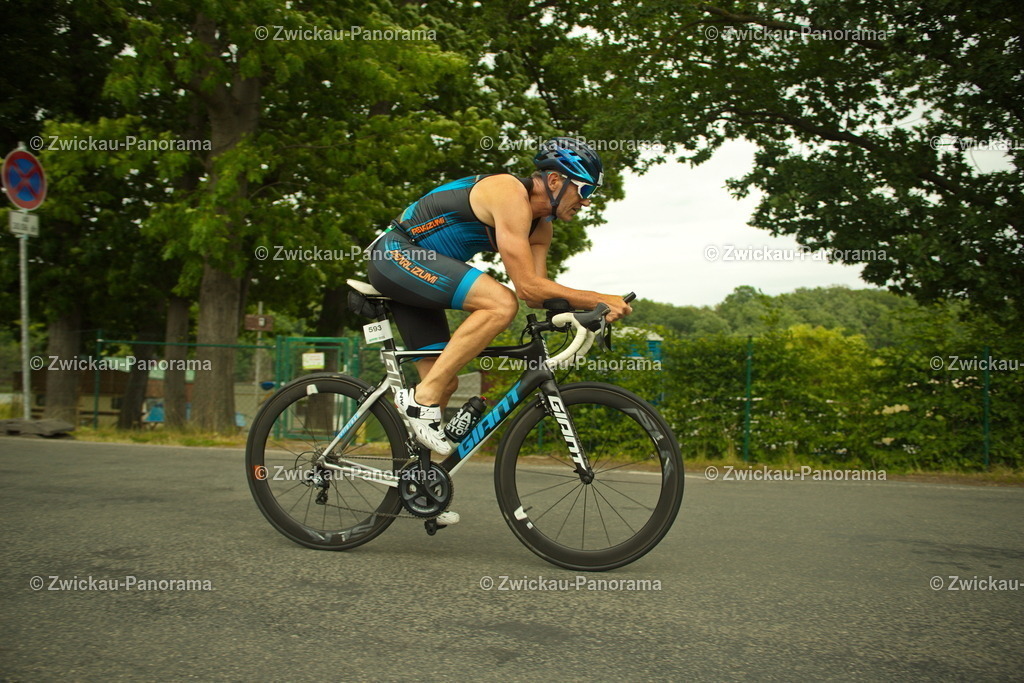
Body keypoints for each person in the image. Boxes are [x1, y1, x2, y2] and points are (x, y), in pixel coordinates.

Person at [366, 136, 632, 467]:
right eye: (584, 190)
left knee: (443, 382)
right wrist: (599, 297)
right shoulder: (508, 192)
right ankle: (419, 400)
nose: (587, 202)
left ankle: (419, 484)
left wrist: (585, 312)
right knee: (500, 303)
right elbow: (526, 288)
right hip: (395, 256)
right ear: (554, 180)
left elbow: (538, 294)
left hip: (421, 282)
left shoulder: (541, 228)